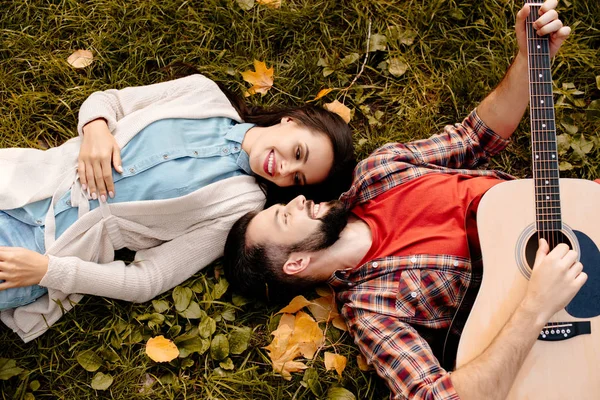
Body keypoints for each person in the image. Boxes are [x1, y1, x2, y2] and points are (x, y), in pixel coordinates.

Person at [223, 2, 592, 399]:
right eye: (283, 217)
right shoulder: (371, 311)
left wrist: (528, 58)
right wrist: (535, 307)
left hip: (587, 211)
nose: (297, 200)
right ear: (295, 264)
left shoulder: (378, 171)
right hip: (580, 316)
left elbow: (475, 138)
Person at [0, 72, 354, 342]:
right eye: (298, 153)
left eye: (298, 179)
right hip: (16, 182)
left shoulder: (241, 205)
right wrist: (95, 130)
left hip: (38, 251)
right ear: (291, 120)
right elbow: (110, 101)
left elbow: (147, 279)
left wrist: (50, 271)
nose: (287, 170)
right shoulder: (203, 94)